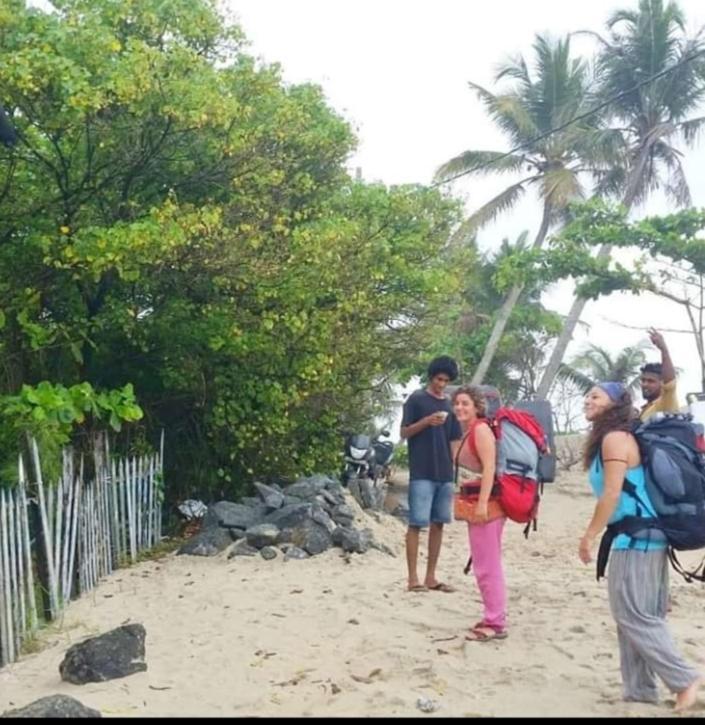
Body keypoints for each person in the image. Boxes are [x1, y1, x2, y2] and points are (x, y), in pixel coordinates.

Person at [579, 381, 702, 711]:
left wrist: (589, 535)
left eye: (595, 396)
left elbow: (613, 493)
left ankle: (683, 679)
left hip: (638, 539)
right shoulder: (611, 438)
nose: (587, 400)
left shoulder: (616, 439)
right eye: (587, 395)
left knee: (632, 614)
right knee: (636, 615)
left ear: (615, 403)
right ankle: (639, 691)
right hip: (636, 537)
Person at [400, 355, 462, 593]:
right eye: (439, 379)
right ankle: (412, 578)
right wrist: (426, 422)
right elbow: (404, 432)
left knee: (439, 524)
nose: (442, 384)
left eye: (446, 380)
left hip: (444, 474)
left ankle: (431, 576)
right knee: (416, 523)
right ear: (431, 376)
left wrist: (454, 468)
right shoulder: (416, 400)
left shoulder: (449, 405)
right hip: (422, 471)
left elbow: (455, 439)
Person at [452, 385, 507, 642]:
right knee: (486, 562)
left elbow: (489, 468)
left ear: (477, 407)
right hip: (482, 503)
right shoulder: (471, 430)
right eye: (457, 404)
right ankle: (492, 616)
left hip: (487, 505)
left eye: (465, 403)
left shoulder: (481, 430)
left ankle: (495, 622)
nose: (460, 408)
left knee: (487, 565)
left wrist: (483, 503)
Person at [640, 328, 678, 421]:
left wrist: (664, 350)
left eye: (651, 381)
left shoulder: (666, 402)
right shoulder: (645, 409)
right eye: (643, 380)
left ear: (662, 383)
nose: (645, 384)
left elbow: (670, 383)